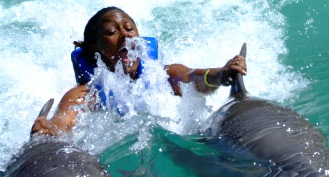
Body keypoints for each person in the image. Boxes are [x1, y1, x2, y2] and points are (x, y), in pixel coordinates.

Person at [31, 6, 247, 137]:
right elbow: (65, 119)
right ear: (95, 47)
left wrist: (221, 75)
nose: (125, 36)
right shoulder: (87, 93)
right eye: (112, 32)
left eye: (129, 28)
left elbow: (193, 78)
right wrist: (51, 128)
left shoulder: (162, 74)